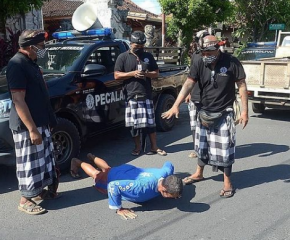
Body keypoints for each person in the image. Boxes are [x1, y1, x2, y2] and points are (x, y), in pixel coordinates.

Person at [162, 35, 248, 198]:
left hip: (224, 113)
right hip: (203, 112)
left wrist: (245, 111)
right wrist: (175, 105)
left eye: (209, 52)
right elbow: (188, 83)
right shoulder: (198, 61)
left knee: (225, 151)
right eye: (204, 53)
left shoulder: (232, 62)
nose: (206, 56)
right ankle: (199, 173)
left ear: (218, 48)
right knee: (201, 146)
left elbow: (242, 85)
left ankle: (227, 182)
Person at [6, 29, 60, 215]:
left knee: (42, 160)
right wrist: (32, 129)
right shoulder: (16, 65)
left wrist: (47, 122)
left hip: (40, 122)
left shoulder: (31, 63)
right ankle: (25, 200)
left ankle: (38, 192)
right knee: (29, 163)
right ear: (30, 47)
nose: (43, 49)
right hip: (27, 126)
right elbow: (18, 100)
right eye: (41, 46)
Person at [70, 153, 183, 219]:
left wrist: (175, 186)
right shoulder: (141, 188)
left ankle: (92, 156)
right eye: (172, 195)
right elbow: (114, 186)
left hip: (128, 170)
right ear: (163, 189)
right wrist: (118, 208)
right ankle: (77, 162)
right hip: (116, 178)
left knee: (108, 168)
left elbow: (169, 164)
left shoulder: (165, 174)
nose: (174, 198)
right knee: (96, 175)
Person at [114, 30, 166, 156]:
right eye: (137, 47)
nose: (139, 49)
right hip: (131, 95)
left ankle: (154, 147)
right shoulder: (123, 57)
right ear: (131, 44)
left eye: (142, 47)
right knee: (134, 125)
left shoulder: (148, 56)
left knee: (150, 123)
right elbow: (116, 75)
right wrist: (132, 74)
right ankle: (137, 148)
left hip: (146, 94)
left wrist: (146, 74)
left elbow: (156, 72)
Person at [185, 30, 209, 158]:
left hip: (209, 97)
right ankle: (197, 148)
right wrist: (189, 93)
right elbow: (191, 77)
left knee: (208, 123)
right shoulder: (195, 55)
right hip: (195, 96)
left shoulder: (216, 55)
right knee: (194, 124)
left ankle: (209, 148)